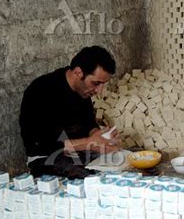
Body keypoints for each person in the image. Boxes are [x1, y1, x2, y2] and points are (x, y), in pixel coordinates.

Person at [19, 46, 120, 179]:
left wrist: (101, 136)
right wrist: (90, 142)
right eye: (96, 83)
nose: (99, 91)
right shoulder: (41, 91)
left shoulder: (83, 91)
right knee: (91, 179)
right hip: (47, 157)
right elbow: (43, 145)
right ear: (78, 72)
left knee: (121, 162)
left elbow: (88, 124)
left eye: (103, 84)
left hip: (80, 152)